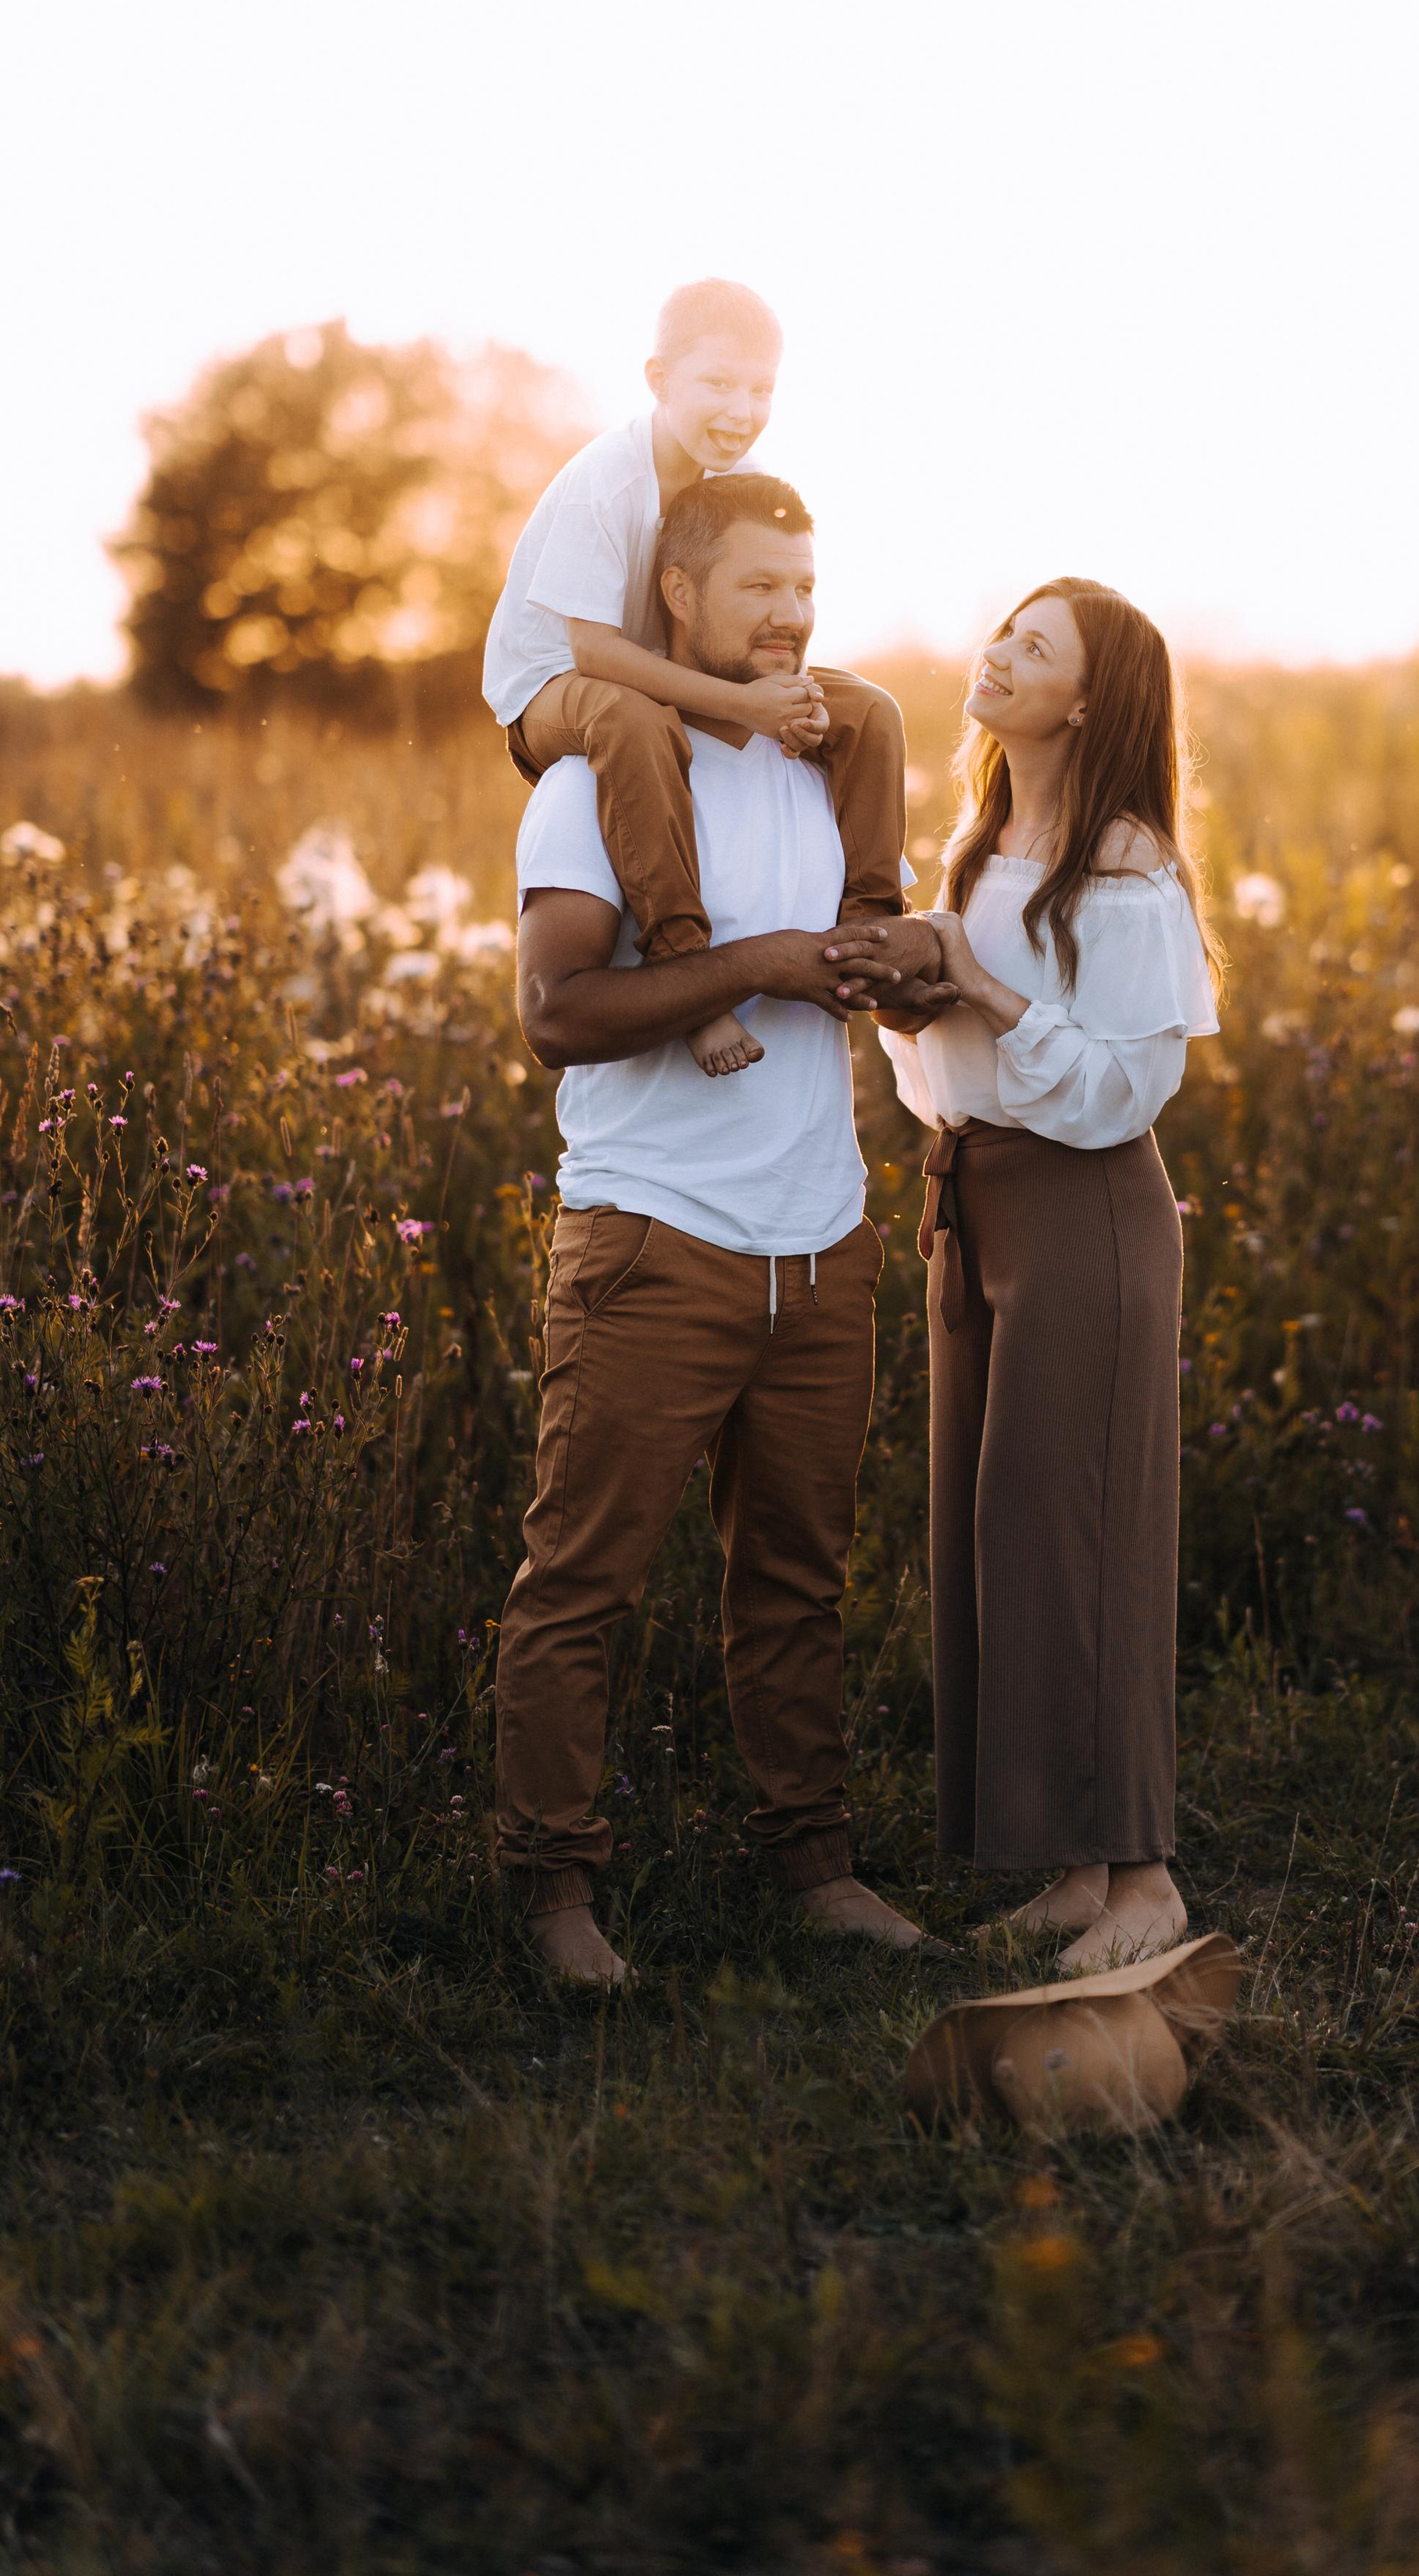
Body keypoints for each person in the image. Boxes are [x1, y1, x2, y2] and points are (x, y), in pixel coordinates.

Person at [495, 467, 953, 1986]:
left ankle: (810, 1866)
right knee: (584, 1581)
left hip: (822, 1241)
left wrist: (905, 962)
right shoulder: (593, 780)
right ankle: (554, 1893)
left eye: (804, 588)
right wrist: (756, 962)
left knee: (797, 1580)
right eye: (759, 586)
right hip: (651, 1243)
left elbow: (863, 973)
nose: (790, 615)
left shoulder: (823, 764)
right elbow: (560, 1015)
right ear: (676, 596)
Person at [877, 580, 1221, 1974]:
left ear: (1085, 701)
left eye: (1035, 649)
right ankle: (1075, 1871)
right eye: (1002, 632)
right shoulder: (979, 839)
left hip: (1088, 1207)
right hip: (978, 1200)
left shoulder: (1127, 862)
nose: (997, 654)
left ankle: (1145, 1879)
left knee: (1084, 1536)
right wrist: (913, 995)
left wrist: (978, 986)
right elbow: (954, 1049)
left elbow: (1127, 1082)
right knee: (1007, 1534)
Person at [481, 277, 906, 1079]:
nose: (740, 410)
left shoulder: (740, 474)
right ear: (658, 380)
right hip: (552, 686)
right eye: (717, 384)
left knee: (868, 709)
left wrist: (797, 701)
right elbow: (595, 652)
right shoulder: (605, 481)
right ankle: (685, 963)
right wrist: (745, 703)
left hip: (664, 674)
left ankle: (873, 922)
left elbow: (765, 611)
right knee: (630, 723)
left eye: (760, 389)